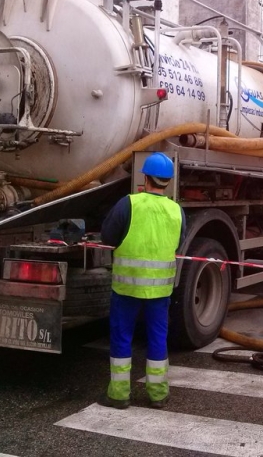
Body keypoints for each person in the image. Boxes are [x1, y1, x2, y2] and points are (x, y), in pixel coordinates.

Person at [99, 152, 185, 410]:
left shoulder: (128, 204)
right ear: (167, 182)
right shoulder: (176, 210)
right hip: (160, 290)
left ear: (145, 177)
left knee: (122, 336)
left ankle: (119, 394)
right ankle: (158, 395)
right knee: (158, 337)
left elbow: (107, 238)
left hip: (127, 287)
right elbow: (178, 243)